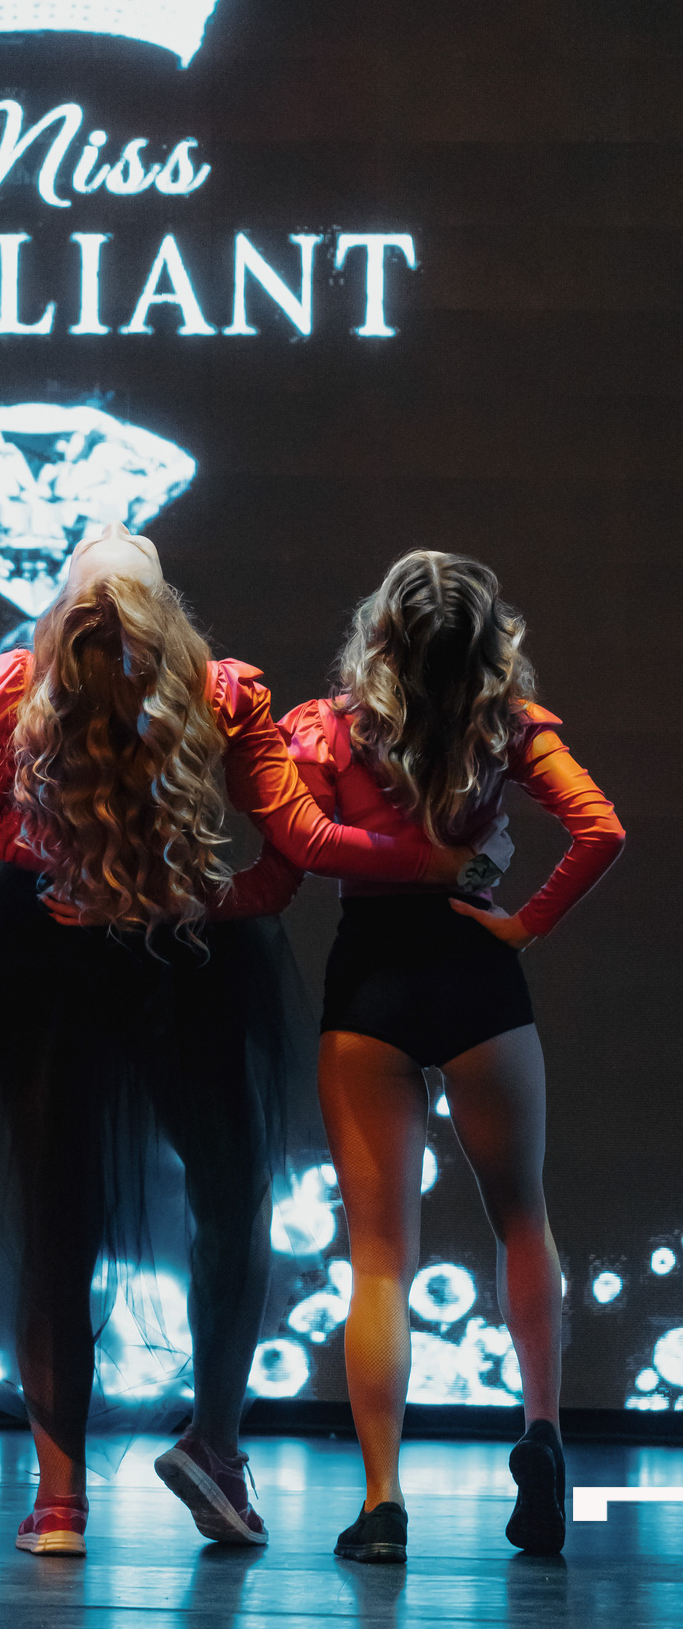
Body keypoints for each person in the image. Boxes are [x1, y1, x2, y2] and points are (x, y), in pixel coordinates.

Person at [0, 524, 483, 1559]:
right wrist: (226, 893)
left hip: (60, 956)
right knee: (223, 1201)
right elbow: (300, 851)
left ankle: (63, 1499)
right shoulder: (217, 694)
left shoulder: (16, 690)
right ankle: (211, 1449)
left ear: (62, 610)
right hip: (183, 958)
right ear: (169, 611)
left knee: (59, 1216)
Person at [237, 549, 625, 1563]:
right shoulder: (507, 728)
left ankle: (382, 1504)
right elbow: (599, 829)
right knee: (522, 1218)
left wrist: (183, 903)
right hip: (476, 974)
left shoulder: (326, 732)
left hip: (370, 984)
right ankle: (542, 1433)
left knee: (377, 1260)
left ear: (380, 634)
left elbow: (293, 858)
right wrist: (524, 924)